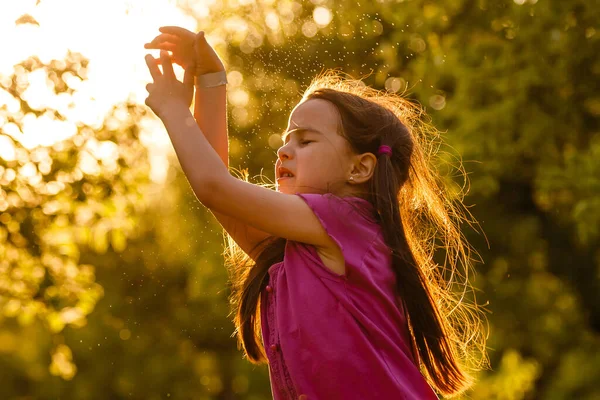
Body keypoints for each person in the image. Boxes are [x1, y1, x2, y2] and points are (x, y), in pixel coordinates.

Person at [144, 27, 486, 400]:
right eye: (286, 140)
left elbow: (215, 186)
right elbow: (220, 192)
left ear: (360, 169)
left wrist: (175, 109)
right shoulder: (296, 250)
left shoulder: (349, 218)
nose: (284, 151)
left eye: (305, 141)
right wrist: (211, 81)